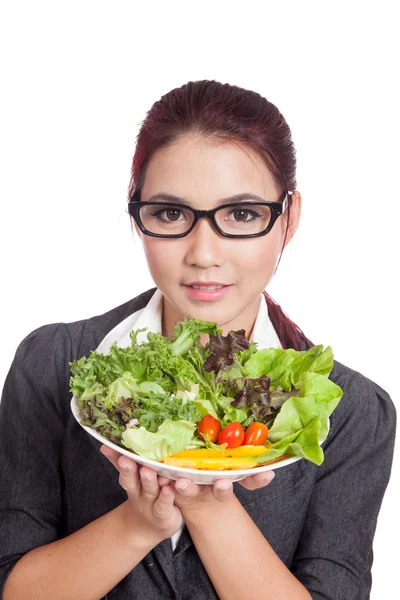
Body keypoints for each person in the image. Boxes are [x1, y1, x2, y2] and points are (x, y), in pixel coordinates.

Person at [0, 79, 396, 600]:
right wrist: (139, 523)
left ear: (289, 218)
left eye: (241, 215)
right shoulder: (55, 364)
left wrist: (208, 503)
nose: (204, 254)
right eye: (171, 214)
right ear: (137, 215)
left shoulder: (349, 411)